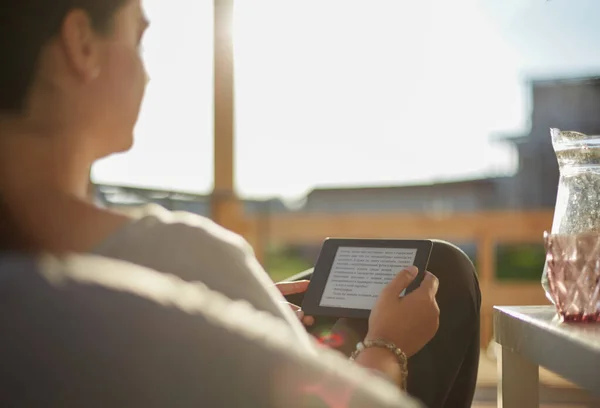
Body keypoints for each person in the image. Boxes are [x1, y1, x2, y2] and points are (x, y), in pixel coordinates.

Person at [0, 0, 480, 406]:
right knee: (444, 270)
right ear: (82, 45)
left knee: (322, 290)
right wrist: (386, 346)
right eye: (138, 41)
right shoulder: (187, 255)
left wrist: (236, 310)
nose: (147, 75)